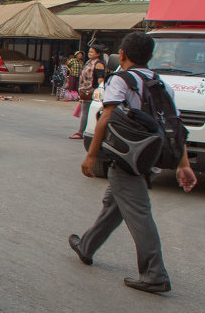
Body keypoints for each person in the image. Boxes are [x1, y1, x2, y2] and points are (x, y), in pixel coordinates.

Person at [72, 32, 196, 294]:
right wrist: (183, 164)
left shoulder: (121, 80)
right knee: (114, 204)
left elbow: (106, 117)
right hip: (149, 154)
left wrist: (91, 156)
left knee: (138, 213)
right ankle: (86, 246)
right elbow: (174, 126)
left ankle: (154, 273)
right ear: (150, 57)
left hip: (126, 157)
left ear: (123, 55)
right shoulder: (161, 83)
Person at [70, 45, 107, 139]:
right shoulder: (89, 62)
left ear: (98, 54)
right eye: (89, 52)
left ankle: (80, 132)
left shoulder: (98, 64)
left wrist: (100, 91)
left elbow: (100, 79)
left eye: (92, 52)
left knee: (86, 112)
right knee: (85, 112)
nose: (90, 53)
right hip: (84, 90)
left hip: (92, 91)